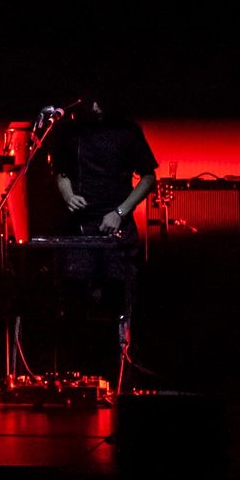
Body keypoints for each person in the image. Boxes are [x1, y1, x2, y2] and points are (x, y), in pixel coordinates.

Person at [44, 96, 158, 320]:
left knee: (118, 300)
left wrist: (119, 212)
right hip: (79, 230)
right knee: (75, 300)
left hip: (117, 230)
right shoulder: (70, 131)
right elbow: (61, 172)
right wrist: (68, 195)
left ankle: (122, 351)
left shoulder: (127, 130)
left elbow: (148, 178)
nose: (95, 109)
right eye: (91, 103)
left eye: (100, 103)